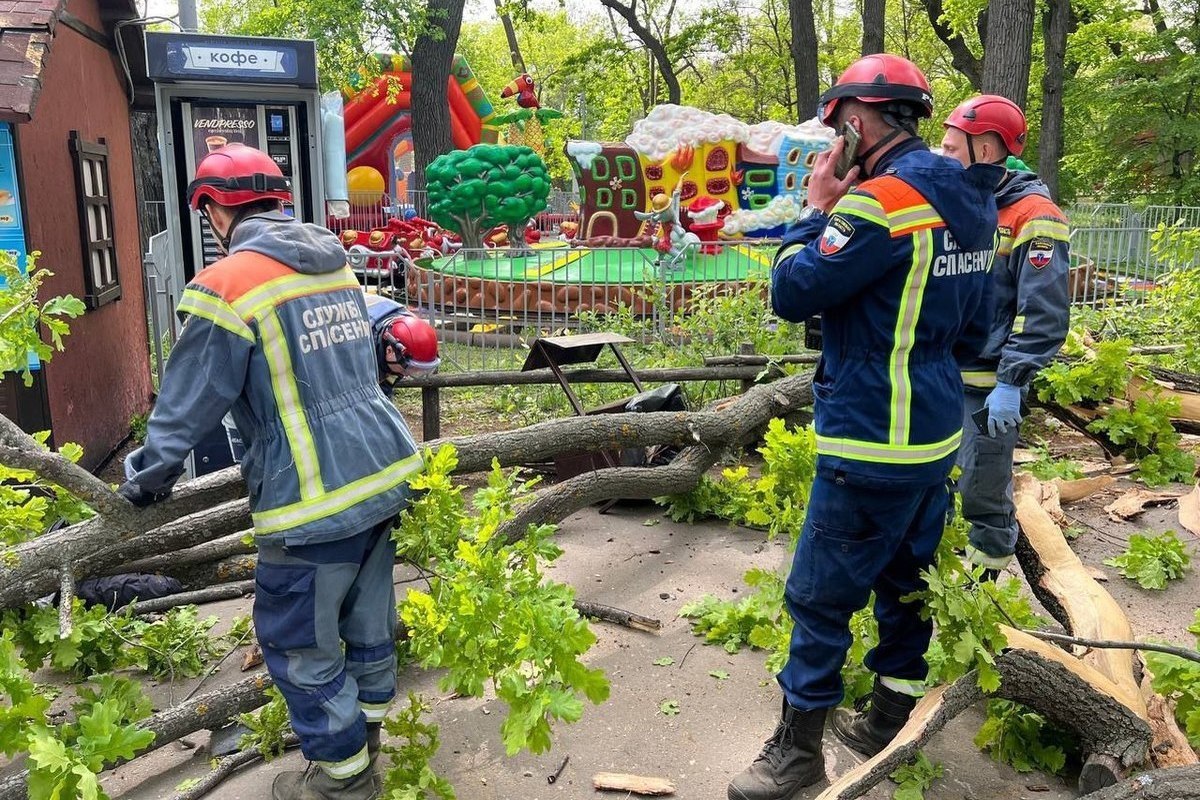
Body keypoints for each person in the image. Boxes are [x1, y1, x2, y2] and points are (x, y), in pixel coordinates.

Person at [728, 55, 1003, 800]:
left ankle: (795, 757)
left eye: (833, 129)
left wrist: (817, 206)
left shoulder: (875, 204)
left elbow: (791, 291)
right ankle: (889, 719)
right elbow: (977, 325)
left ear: (856, 122)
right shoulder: (975, 198)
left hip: (869, 437)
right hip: (937, 432)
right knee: (906, 582)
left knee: (820, 596)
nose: (829, 144)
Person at [118, 143, 421, 800]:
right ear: (277, 199)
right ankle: (363, 744)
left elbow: (187, 401)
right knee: (367, 628)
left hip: (310, 504)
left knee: (302, 651)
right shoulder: (332, 264)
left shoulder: (226, 285)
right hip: (381, 476)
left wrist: (146, 478)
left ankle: (343, 784)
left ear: (211, 208)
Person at [941, 96, 1070, 572]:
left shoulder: (1035, 215)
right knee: (942, 481)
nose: (943, 157)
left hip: (991, 388)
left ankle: (982, 598)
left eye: (952, 148)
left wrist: (1012, 382)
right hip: (942, 376)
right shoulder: (967, 204)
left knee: (982, 491)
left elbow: (1044, 314)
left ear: (988, 150)